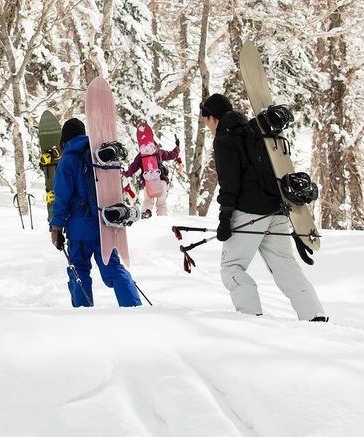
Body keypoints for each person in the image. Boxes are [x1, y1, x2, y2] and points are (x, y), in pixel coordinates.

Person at [201, 93, 327, 322]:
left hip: (248, 213)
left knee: (232, 267)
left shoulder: (224, 139)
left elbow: (230, 183)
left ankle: (251, 319)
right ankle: (314, 315)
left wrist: (225, 218)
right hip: (276, 210)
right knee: (284, 265)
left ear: (213, 118)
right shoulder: (257, 131)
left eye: (206, 121)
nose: (207, 126)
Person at [49, 117, 142, 308]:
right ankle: (133, 306)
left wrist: (56, 228)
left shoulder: (68, 160)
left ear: (64, 139)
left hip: (79, 229)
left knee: (79, 269)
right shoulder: (100, 155)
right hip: (105, 223)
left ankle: (83, 312)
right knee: (113, 267)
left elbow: (62, 197)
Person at [121, 127, 184, 218]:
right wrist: (177, 147)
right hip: (161, 180)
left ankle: (147, 212)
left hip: (148, 182)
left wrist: (126, 174)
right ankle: (162, 217)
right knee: (161, 203)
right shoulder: (158, 151)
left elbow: (133, 167)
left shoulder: (140, 156)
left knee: (148, 201)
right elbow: (173, 155)